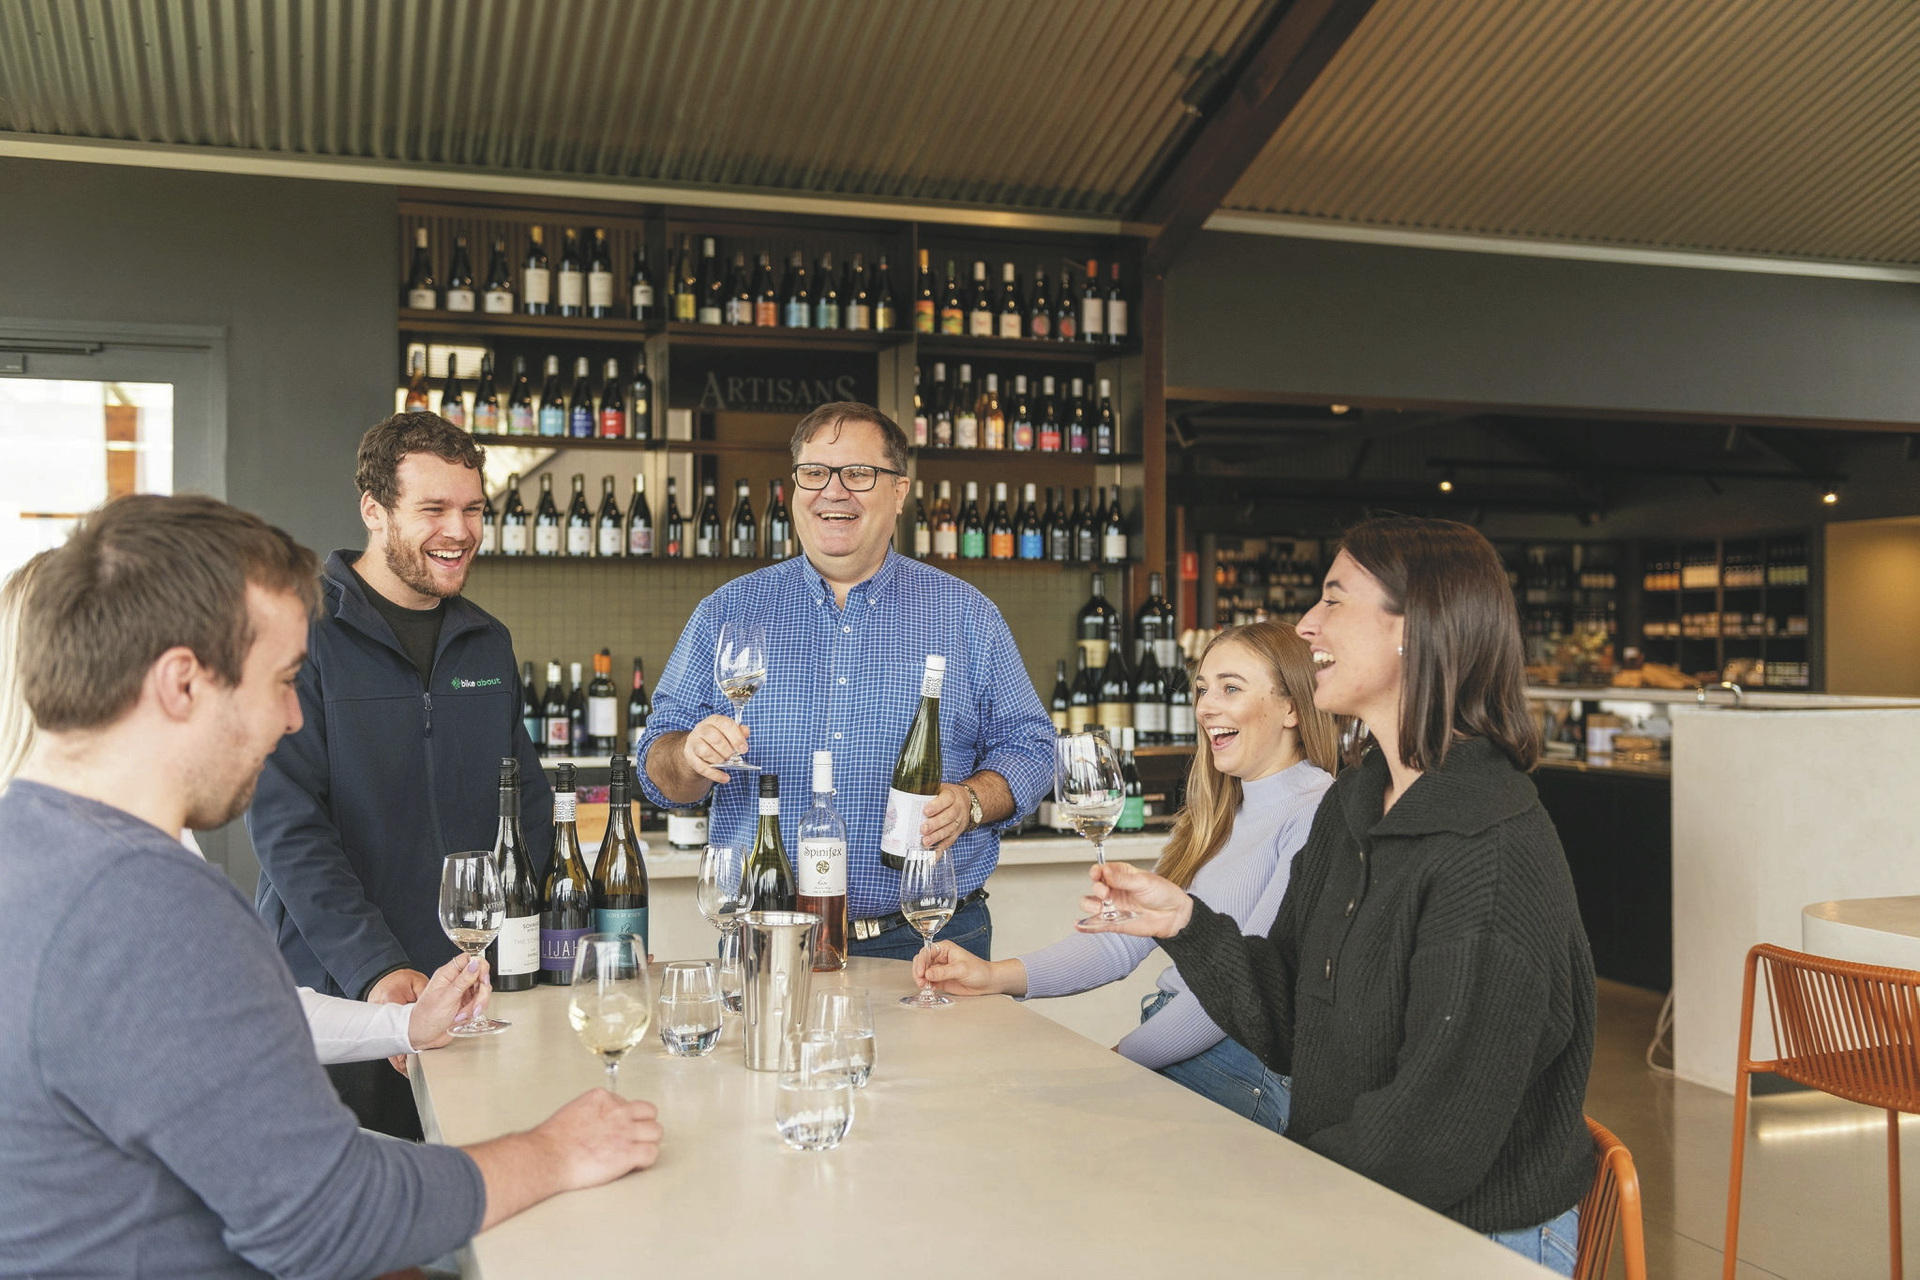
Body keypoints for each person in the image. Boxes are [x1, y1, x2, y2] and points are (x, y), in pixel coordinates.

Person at [0, 493, 661, 1278]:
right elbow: (332, 1220)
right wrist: (554, 1151)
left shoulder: (39, 848)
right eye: (283, 681)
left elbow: (243, 1035)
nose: (291, 717)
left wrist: (402, 1025)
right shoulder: (150, 901)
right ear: (182, 684)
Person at [1079, 516, 1594, 1275]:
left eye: (1334, 599)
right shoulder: (1355, 804)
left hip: (1472, 1235)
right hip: (1371, 1198)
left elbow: (1433, 1137)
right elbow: (1293, 1019)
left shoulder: (1490, 852)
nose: (1307, 625)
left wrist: (1274, 1192)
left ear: (1413, 627)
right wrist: (1186, 924)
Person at [3, 552, 493, 1065]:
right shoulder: (90, 864)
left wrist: (405, 1026)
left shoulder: (145, 831)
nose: (287, 717)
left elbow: (239, 1006)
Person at [638, 402, 1056, 959]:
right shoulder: (727, 611)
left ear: (900, 492)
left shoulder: (965, 615)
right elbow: (656, 765)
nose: (833, 492)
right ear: (793, 489)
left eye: (858, 473)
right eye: (814, 472)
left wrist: (972, 800)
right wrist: (689, 758)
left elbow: (1033, 747)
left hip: (927, 938)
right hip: (767, 937)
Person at [248, 411, 552, 1134]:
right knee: (349, 1198)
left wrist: (556, 936)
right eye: (434, 509)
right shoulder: (301, 637)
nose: (460, 530)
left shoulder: (487, 642)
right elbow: (291, 832)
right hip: (342, 998)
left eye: (473, 509)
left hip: (470, 993)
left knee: (469, 1183)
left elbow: (528, 811)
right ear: (374, 511)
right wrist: (379, 971)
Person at [912, 622, 1338, 1129]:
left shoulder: (1315, 810)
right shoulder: (1219, 812)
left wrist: (1120, 1058)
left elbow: (1239, 994)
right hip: (1180, 1039)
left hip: (1238, 1064)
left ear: (1292, 707)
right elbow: (1120, 944)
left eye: (1230, 688)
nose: (1205, 707)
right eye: (1202, 689)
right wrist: (992, 976)